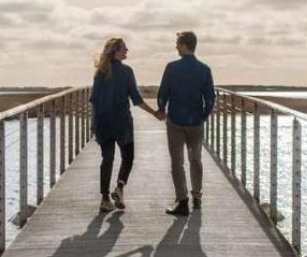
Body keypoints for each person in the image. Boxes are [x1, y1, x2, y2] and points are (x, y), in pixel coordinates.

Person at [89, 37, 161, 213]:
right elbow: (136, 99)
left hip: (103, 122)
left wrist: (93, 124)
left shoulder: (100, 72)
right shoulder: (127, 71)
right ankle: (119, 187)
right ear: (116, 51)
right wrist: (154, 113)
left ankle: (105, 199)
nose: (127, 51)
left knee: (107, 159)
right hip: (122, 123)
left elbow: (94, 101)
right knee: (128, 157)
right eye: (124, 49)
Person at [155, 31, 214, 216]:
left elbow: (163, 93)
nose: (175, 47)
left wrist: (162, 109)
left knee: (177, 162)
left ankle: (182, 201)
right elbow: (210, 99)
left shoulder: (172, 68)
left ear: (184, 45)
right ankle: (197, 197)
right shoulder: (204, 69)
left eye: (177, 44)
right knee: (195, 160)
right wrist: (202, 116)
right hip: (195, 122)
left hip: (175, 121)